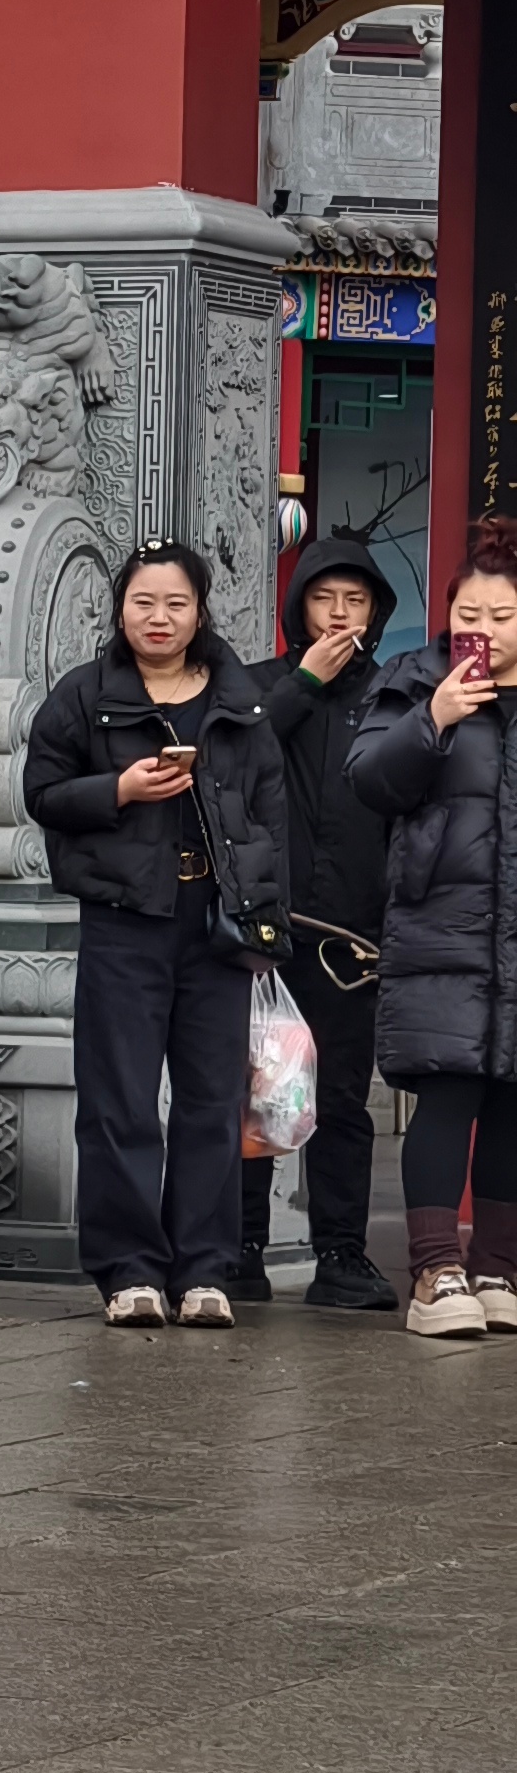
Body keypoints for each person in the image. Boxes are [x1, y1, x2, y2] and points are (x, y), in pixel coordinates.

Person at [23, 538, 293, 1328]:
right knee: (120, 1102)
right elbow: (42, 791)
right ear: (120, 610)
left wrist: (266, 919)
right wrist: (120, 788)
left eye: (176, 603)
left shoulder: (238, 701)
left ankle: (207, 1269)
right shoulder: (86, 695)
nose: (160, 618)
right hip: (124, 920)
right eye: (144, 602)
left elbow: (271, 816)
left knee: (213, 1101)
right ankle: (130, 1270)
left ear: (200, 610)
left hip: (217, 924)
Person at [349, 521, 517, 1340]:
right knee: (446, 1095)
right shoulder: (414, 681)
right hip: (443, 925)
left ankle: (496, 1269)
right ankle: (432, 1274)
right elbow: (369, 781)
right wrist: (435, 719)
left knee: (512, 1103)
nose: (480, 632)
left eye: (501, 616)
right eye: (469, 614)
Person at [246, 532, 404, 1309]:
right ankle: (237, 1246)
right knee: (255, 1091)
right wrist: (302, 684)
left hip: (354, 938)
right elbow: (232, 759)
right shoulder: (260, 684)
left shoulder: (395, 693)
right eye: (323, 598)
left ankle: (340, 1252)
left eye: (356, 601)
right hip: (264, 933)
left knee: (339, 1098)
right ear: (298, 607)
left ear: (375, 613)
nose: (340, 615)